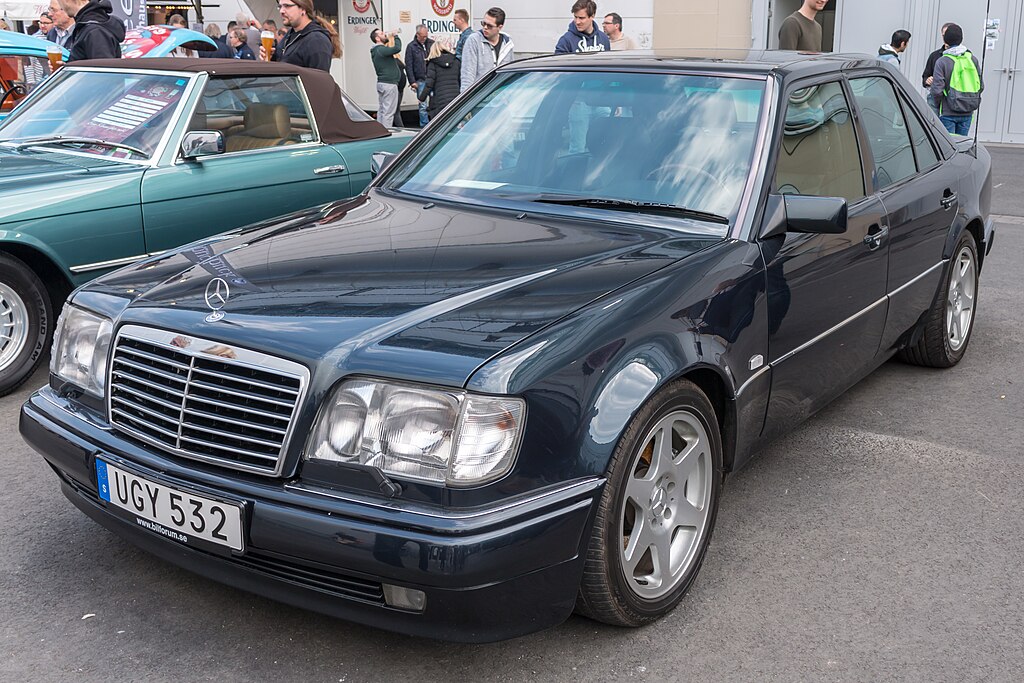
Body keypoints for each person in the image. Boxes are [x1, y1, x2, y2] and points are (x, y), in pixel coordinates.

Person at [930, 23, 983, 136]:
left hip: (948, 112)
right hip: (967, 112)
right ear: (961, 39)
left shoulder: (942, 61)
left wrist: (941, 104)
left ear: (945, 40)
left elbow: (936, 90)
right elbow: (981, 86)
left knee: (948, 147)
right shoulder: (972, 59)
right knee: (962, 144)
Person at [262, 0, 341, 72]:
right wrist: (270, 59)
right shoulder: (290, 35)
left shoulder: (317, 40)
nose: (281, 11)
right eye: (280, 6)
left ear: (303, 9)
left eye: (287, 6)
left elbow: (319, 82)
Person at [461, 7, 514, 93]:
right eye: (483, 23)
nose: (485, 27)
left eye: (489, 26)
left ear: (499, 27)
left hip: (502, 100)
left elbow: (510, 74)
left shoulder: (508, 44)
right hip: (479, 100)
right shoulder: (474, 40)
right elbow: (467, 75)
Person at [59, 0, 124, 62]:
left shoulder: (95, 31)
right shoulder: (89, 26)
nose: (61, 6)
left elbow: (104, 70)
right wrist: (65, 70)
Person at [418, 41, 460, 121]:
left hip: (440, 100)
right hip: (455, 98)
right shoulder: (456, 61)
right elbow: (460, 80)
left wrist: (421, 98)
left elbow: (429, 84)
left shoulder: (433, 64)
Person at [371, 29, 402, 127]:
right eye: (381, 34)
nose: (384, 34)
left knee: (382, 110)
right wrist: (395, 36)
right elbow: (397, 48)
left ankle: (380, 131)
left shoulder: (376, 50)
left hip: (382, 83)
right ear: (377, 38)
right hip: (389, 84)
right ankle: (386, 132)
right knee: (388, 112)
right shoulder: (380, 49)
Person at [405, 25, 434, 127]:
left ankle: (434, 123)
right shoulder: (411, 46)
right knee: (422, 105)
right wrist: (412, 81)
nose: (425, 38)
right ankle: (424, 126)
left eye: (426, 36)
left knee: (434, 103)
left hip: (431, 78)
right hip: (420, 79)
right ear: (417, 35)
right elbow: (409, 65)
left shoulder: (431, 43)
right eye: (423, 36)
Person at [922, 22, 953, 117]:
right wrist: (927, 80)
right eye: (944, 35)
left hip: (953, 100)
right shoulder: (935, 55)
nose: (945, 38)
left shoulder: (965, 56)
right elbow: (925, 76)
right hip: (935, 98)